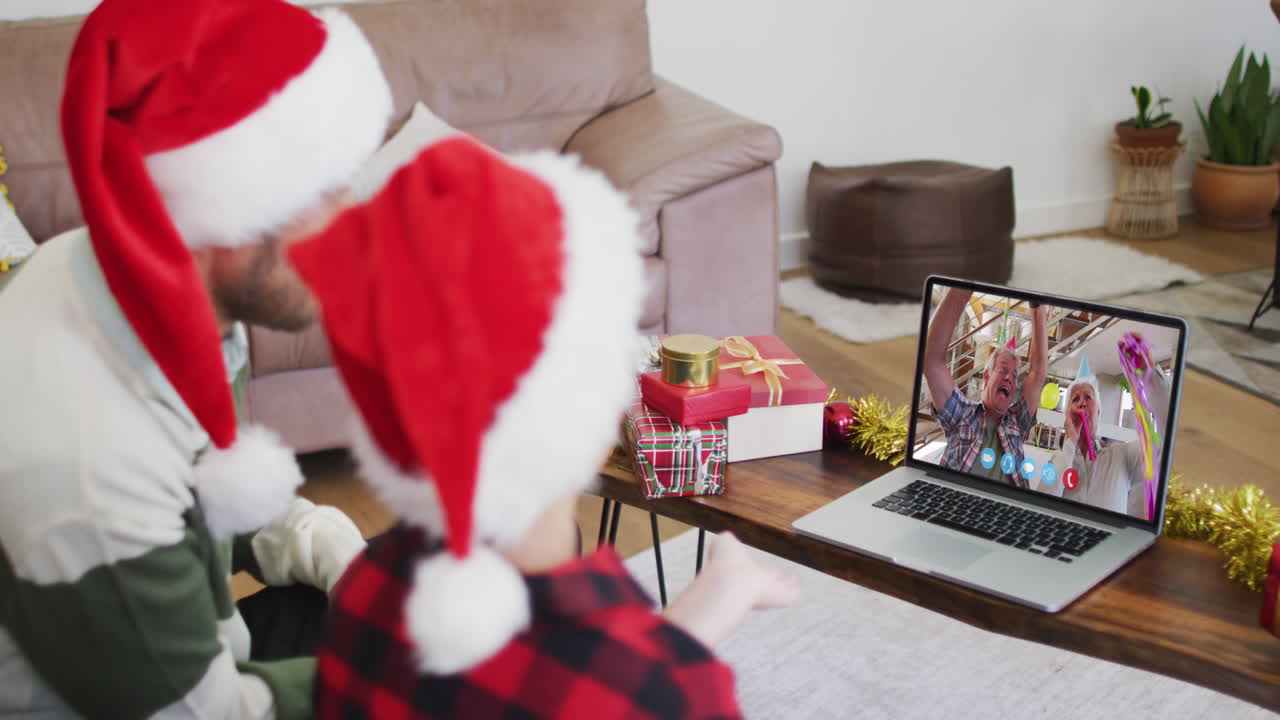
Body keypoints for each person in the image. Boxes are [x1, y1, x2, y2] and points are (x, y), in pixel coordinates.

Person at [290, 135, 798, 719]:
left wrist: (710, 606)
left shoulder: (364, 592)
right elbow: (629, 684)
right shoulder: (672, 694)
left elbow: (585, 670)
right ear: (600, 416)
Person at [0, 0, 392, 716]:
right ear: (225, 207)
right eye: (322, 190)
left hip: (190, 650)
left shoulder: (140, 286)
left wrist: (347, 562)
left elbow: (217, 484)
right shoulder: (90, 470)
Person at [923, 288, 1048, 487]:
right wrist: (962, 285)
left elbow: (1038, 373)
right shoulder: (963, 414)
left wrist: (1038, 307)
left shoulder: (1018, 421)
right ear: (987, 376)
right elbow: (932, 361)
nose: (1009, 378)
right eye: (1003, 369)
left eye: (1015, 376)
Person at [1037, 344, 1172, 518]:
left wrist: (1151, 375)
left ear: (1098, 413)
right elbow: (1042, 508)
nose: (1082, 403)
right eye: (1075, 399)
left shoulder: (1124, 456)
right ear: (1067, 417)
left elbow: (1167, 443)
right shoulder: (1057, 461)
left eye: (1088, 397)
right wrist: (1070, 441)